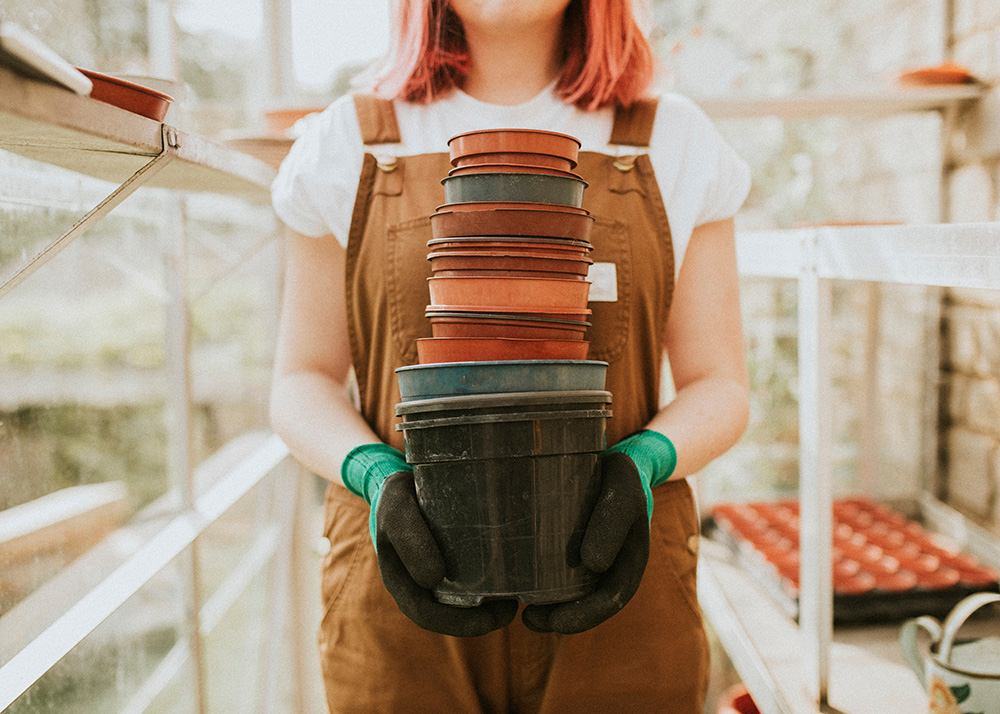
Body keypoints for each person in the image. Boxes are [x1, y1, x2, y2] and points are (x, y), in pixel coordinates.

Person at [269, 0, 751, 711]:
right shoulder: (351, 140)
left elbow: (721, 384)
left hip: (617, 589)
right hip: (402, 595)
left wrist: (644, 461)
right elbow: (300, 379)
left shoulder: (673, 139)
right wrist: (372, 475)